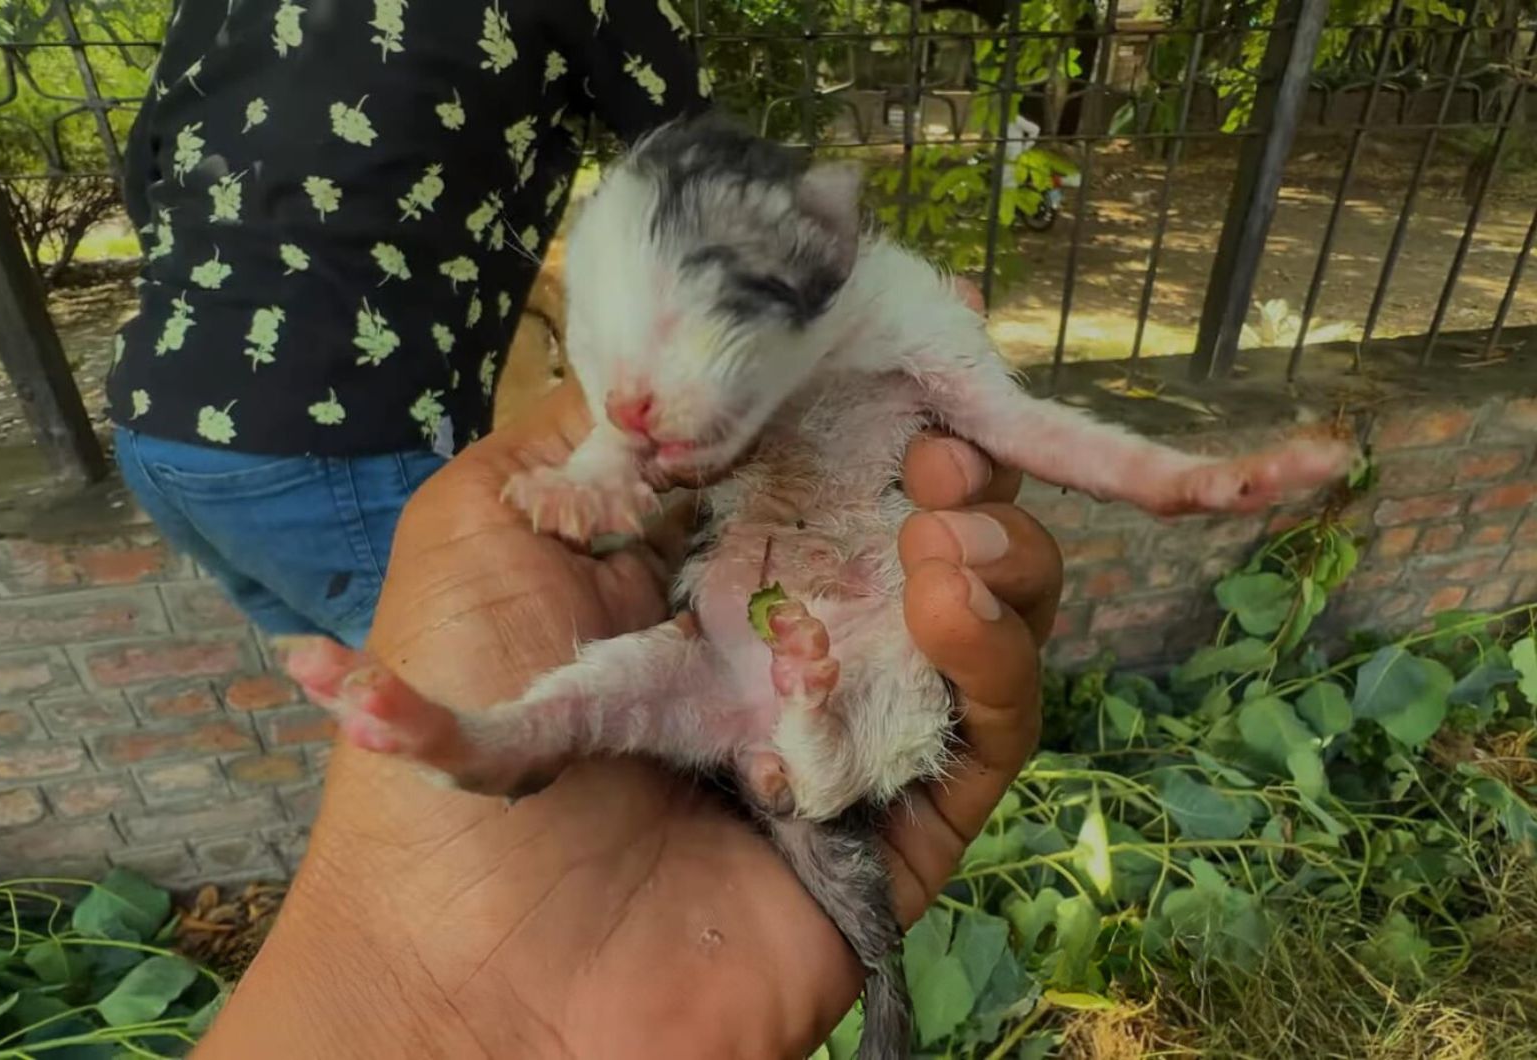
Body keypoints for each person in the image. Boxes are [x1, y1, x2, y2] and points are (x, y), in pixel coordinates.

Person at [190, 377, 1063, 1058]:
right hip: (722, 653)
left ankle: (809, 741)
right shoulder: (738, 380)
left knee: (907, 657)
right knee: (630, 672)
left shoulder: (866, 342)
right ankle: (490, 739)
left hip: (840, 650)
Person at [104, 1, 709, 647]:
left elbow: (146, 173)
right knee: (508, 707)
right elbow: (710, 184)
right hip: (341, 448)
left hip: (156, 421)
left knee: (378, 692)